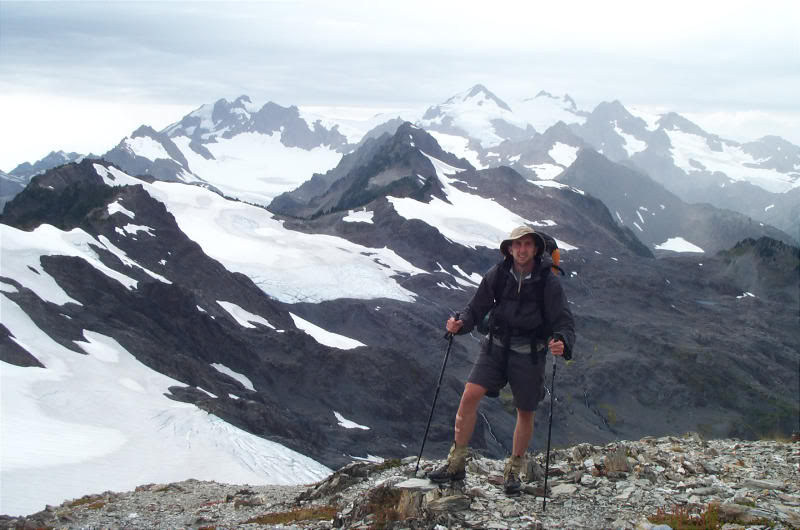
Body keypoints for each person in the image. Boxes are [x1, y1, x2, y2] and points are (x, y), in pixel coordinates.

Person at [427, 225, 575, 494]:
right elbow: (477, 307)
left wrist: (562, 340)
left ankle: (513, 471)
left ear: (536, 249)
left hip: (529, 353)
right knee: (470, 394)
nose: (521, 249)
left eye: (527, 244)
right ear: (509, 248)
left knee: (525, 410)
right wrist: (460, 322)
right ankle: (456, 463)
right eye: (517, 245)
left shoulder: (547, 281)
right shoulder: (498, 274)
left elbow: (563, 318)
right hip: (495, 347)